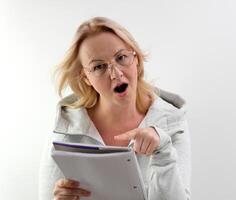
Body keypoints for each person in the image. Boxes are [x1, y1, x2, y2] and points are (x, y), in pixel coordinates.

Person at [39, 16, 191, 200]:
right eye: (99, 67)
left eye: (121, 57)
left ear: (135, 58)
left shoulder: (171, 122)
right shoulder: (67, 125)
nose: (115, 73)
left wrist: (163, 150)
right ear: (86, 77)